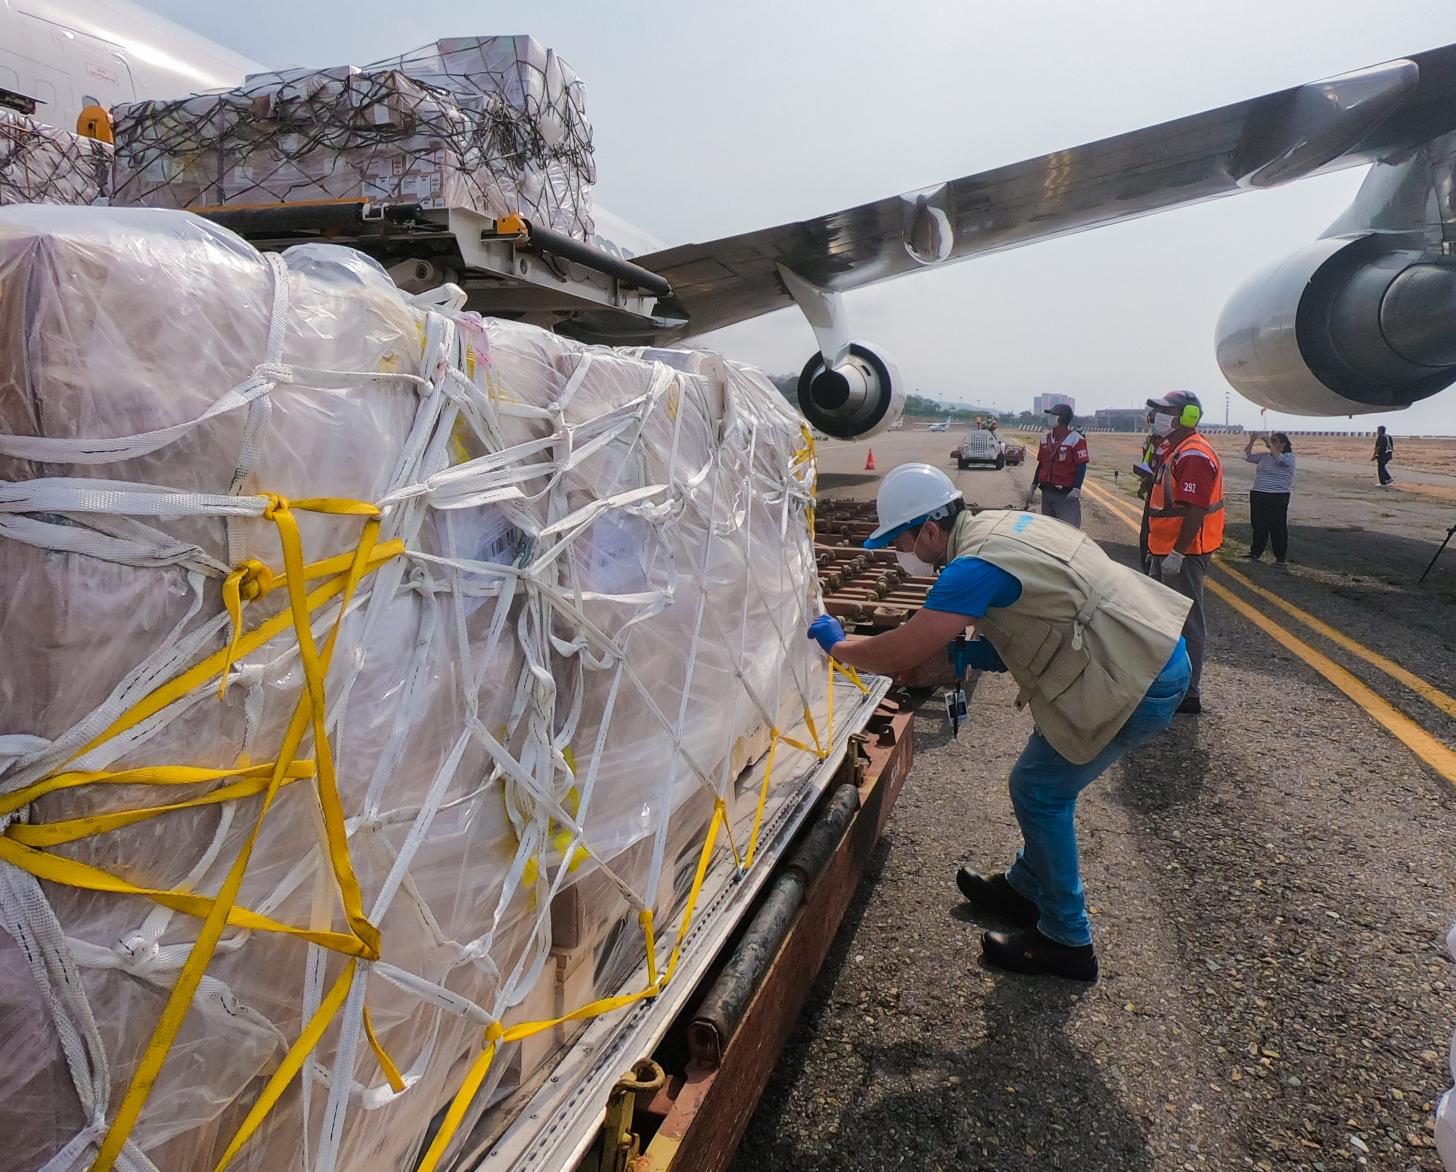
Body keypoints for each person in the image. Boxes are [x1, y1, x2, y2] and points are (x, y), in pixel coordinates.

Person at [806, 464, 1192, 981]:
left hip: (1134, 675)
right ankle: (1026, 888)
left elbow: (903, 648)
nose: (901, 554)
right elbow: (1037, 611)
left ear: (930, 530)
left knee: (1038, 790)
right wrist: (978, 655)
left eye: (902, 541)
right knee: (1045, 767)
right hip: (1145, 648)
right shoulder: (1003, 527)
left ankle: (1066, 942)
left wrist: (840, 645)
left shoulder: (970, 568)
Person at [1143, 390, 1223, 716]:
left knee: (1188, 623)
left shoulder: (1193, 455)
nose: (1159, 415)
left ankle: (1189, 694)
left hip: (1185, 553)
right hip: (1164, 550)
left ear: (1187, 415)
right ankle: (1163, 682)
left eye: (1166, 410)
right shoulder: (1173, 450)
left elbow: (1195, 510)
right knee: (1159, 620)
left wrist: (1176, 553)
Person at [1027, 404, 1089, 528]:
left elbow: (1081, 466)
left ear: (1062, 418)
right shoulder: (1045, 439)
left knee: (1069, 532)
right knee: (1049, 531)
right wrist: (1034, 485)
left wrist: (1077, 488)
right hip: (1047, 493)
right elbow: (1041, 464)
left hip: (1065, 495)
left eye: (1053, 415)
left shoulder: (1076, 440)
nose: (1050, 417)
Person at [1243, 431, 1295, 563]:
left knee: (1277, 526)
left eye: (1275, 440)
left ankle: (1280, 555)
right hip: (1259, 493)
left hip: (1277, 496)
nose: (1271, 442)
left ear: (1283, 444)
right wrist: (1252, 441)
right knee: (1259, 525)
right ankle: (1256, 552)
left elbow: (1280, 459)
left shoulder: (1289, 457)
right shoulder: (1265, 456)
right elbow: (1246, 456)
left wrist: (1267, 441)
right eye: (1271, 440)